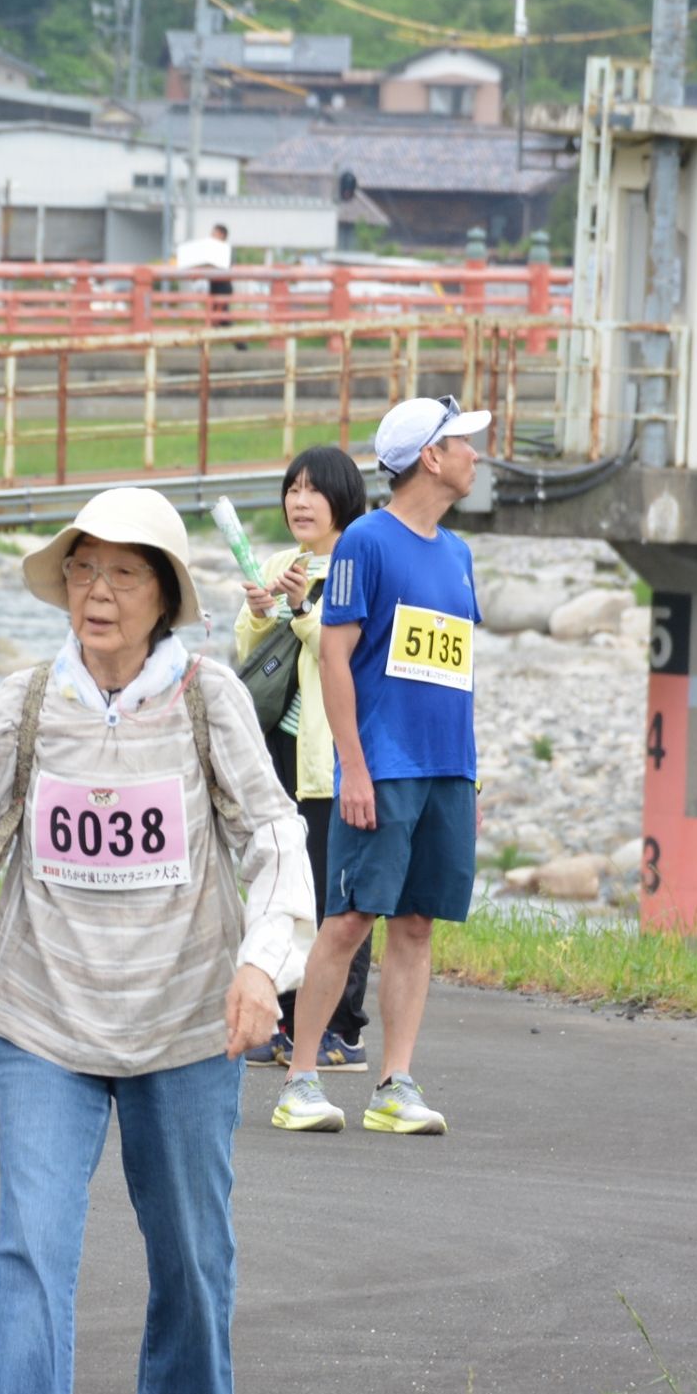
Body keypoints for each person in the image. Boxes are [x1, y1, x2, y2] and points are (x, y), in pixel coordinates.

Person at [0, 487, 309, 1394]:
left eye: (126, 573)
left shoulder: (209, 699)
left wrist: (265, 964)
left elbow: (272, 835)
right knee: (29, 1248)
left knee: (188, 1249)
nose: (98, 591)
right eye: (84, 569)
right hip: (46, 1019)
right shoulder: (32, 700)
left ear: (166, 594)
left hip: (185, 1021)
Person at [273, 396, 490, 1139]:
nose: (474, 453)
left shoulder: (458, 554)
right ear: (431, 457)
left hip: (445, 771)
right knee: (349, 918)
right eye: (464, 442)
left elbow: (458, 674)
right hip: (382, 767)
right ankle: (301, 1078)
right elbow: (334, 655)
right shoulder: (366, 541)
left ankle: (395, 1082)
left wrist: (471, 775)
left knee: (419, 923)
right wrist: (353, 768)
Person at [233, 446, 377, 1069]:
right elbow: (249, 648)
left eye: (314, 491)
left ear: (343, 498)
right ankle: (289, 1019)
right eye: (293, 489)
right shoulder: (280, 561)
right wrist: (263, 610)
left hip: (335, 750)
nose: (299, 501)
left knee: (335, 892)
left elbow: (340, 650)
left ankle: (341, 1026)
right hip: (281, 748)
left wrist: (296, 608)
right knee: (283, 882)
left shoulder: (356, 562)